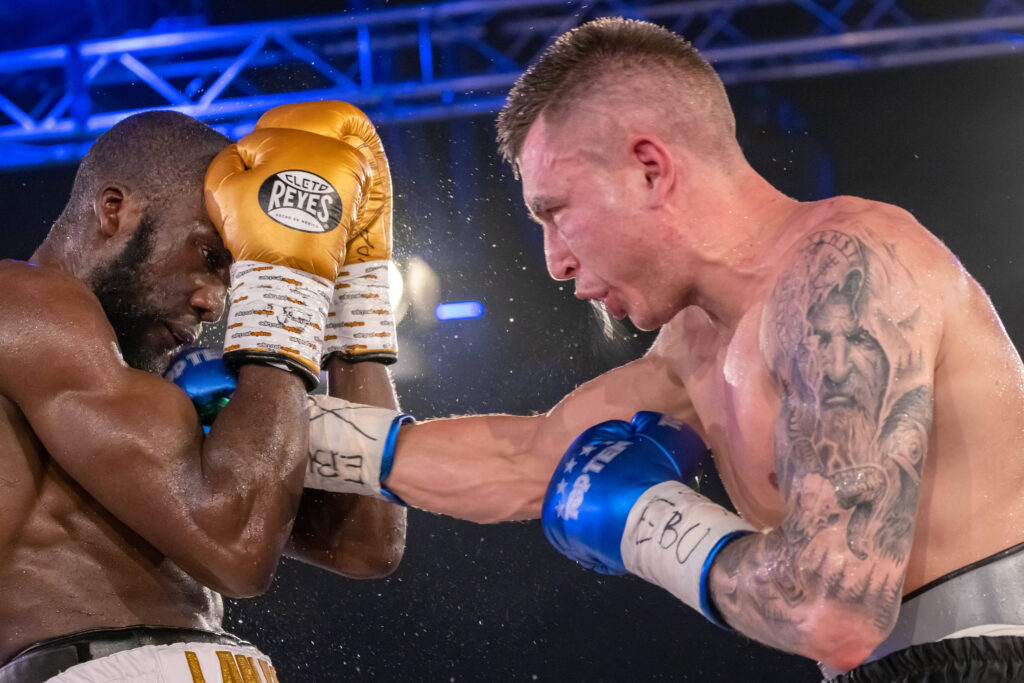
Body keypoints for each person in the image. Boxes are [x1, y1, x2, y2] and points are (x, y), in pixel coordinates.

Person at [315, 17, 1024, 681]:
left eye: (555, 211)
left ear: (650, 168)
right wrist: (292, 428)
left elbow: (833, 609)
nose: (554, 260)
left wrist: (655, 526)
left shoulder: (845, 275)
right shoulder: (694, 347)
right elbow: (525, 460)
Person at [0, 103, 406, 682]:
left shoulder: (147, 387)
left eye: (237, 275)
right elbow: (237, 548)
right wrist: (284, 290)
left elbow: (363, 540)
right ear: (114, 210)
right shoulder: (24, 304)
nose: (214, 303)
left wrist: (352, 302)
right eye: (209, 257)